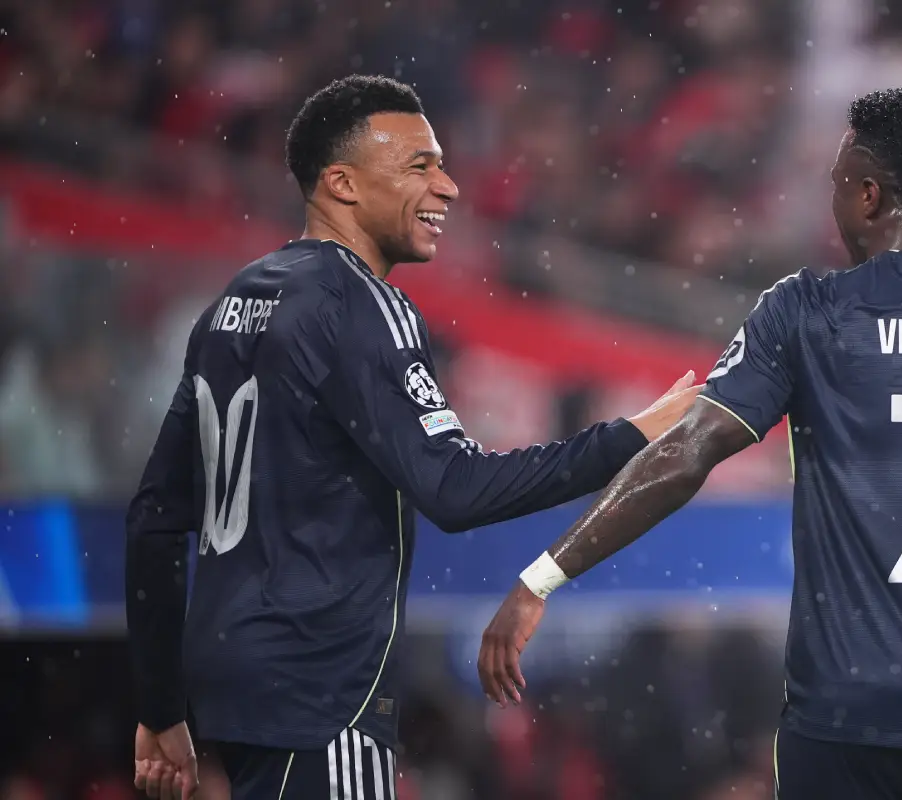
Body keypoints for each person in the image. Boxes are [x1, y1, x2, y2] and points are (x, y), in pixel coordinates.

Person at [479, 86, 902, 800]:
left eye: (835, 180)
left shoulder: (808, 312)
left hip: (844, 719)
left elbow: (685, 455)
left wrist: (542, 576)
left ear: (868, 194)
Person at [124, 74, 699, 800]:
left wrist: (157, 706)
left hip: (231, 682)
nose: (450, 186)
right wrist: (634, 435)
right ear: (342, 184)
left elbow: (154, 517)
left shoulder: (236, 301)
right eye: (419, 165)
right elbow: (456, 490)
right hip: (322, 687)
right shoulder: (364, 307)